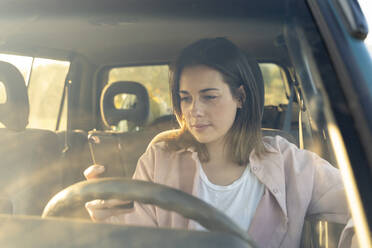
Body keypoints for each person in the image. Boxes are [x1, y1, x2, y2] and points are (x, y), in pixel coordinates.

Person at [84, 38, 353, 247]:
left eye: (209, 97)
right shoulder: (159, 158)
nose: (194, 111)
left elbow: (361, 204)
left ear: (240, 97)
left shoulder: (289, 163)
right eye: (185, 98)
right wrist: (107, 214)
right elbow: (135, 238)